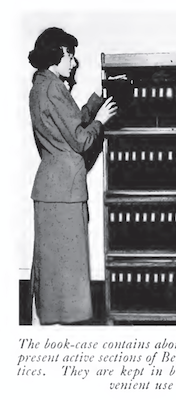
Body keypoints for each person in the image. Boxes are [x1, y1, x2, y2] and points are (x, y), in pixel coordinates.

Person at [28, 27, 117, 325]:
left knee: (54, 265)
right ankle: (66, 327)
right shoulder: (54, 87)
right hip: (64, 190)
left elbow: (68, 127)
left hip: (53, 188)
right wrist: (101, 121)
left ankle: (51, 321)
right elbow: (80, 140)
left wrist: (94, 104)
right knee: (67, 266)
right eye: (70, 54)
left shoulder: (42, 85)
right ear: (56, 55)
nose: (74, 61)